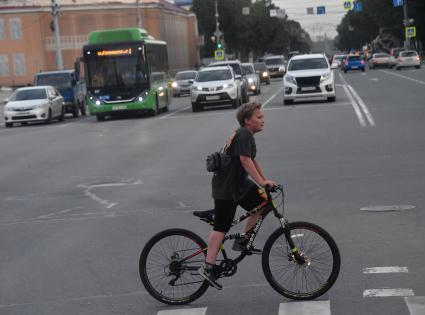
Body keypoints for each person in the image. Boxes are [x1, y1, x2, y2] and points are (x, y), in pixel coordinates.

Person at [197, 102, 275, 290]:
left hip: (238, 185)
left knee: (263, 202)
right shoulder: (244, 134)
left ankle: (243, 241)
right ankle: (208, 267)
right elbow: (244, 160)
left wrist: (265, 181)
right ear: (247, 120)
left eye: (262, 117)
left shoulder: (247, 135)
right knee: (221, 227)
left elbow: (252, 160)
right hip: (227, 188)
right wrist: (261, 182)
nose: (263, 120)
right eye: (259, 117)